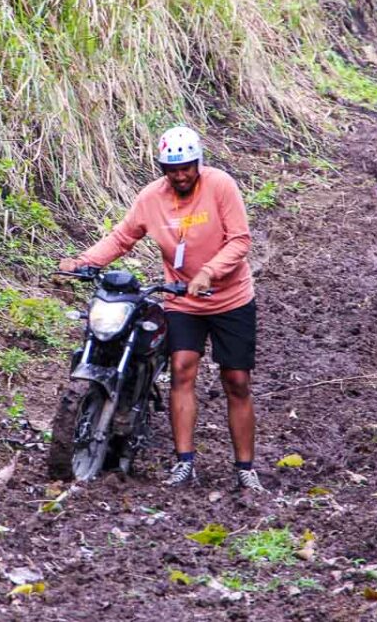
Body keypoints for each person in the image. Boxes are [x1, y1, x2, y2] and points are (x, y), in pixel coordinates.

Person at [59, 126, 263, 492]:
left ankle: (245, 468)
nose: (180, 175)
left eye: (186, 167)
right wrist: (83, 261)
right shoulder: (152, 198)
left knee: (236, 380)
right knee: (183, 369)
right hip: (182, 298)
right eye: (172, 169)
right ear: (162, 169)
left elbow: (240, 239)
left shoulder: (220, 186)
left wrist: (208, 272)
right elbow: (123, 236)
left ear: (198, 163)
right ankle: (185, 463)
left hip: (230, 298)